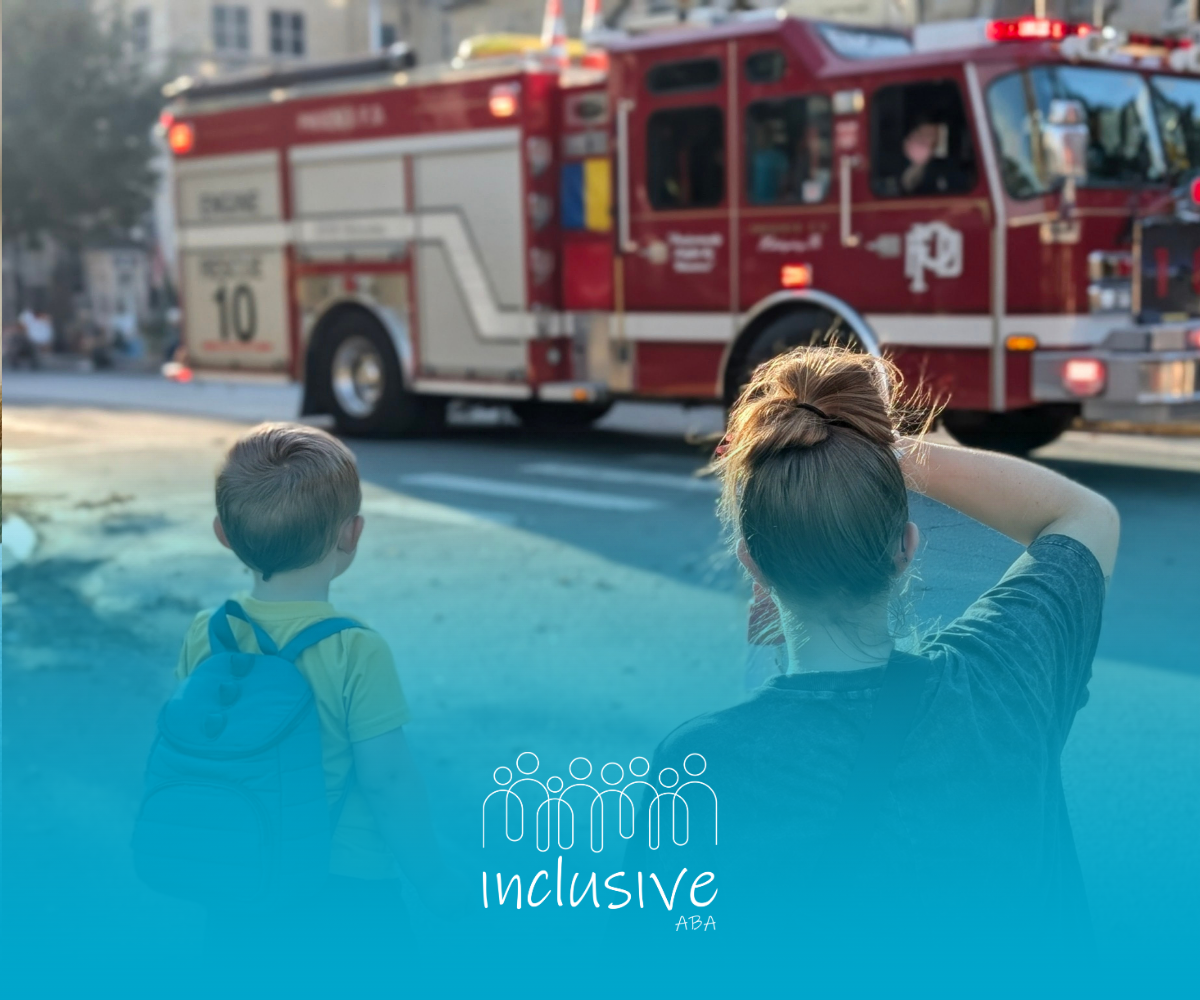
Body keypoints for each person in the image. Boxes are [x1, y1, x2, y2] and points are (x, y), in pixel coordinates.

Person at [628, 347, 1118, 980]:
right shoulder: (1004, 677)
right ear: (906, 548)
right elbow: (1084, 516)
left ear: (753, 562)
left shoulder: (702, 770)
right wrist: (882, 453)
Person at [175, 423, 451, 963]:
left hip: (242, 876)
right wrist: (436, 879)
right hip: (346, 884)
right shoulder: (354, 650)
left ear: (222, 533)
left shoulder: (208, 634)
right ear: (352, 534)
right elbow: (389, 780)